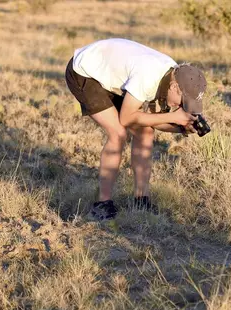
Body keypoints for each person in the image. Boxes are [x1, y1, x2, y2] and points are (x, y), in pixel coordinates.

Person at [65, 38, 207, 220]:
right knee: (117, 133)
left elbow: (152, 120)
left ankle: (142, 201)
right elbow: (126, 118)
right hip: (84, 72)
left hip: (110, 75)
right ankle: (102, 205)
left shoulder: (174, 75)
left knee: (146, 131)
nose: (182, 106)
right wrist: (174, 117)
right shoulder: (148, 77)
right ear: (174, 87)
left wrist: (181, 128)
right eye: (183, 102)